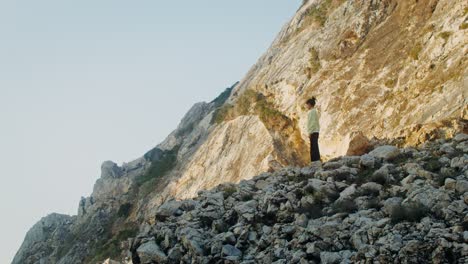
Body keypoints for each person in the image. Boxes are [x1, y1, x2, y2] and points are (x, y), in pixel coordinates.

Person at [306, 97, 321, 163]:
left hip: (313, 131)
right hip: (316, 131)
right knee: (315, 146)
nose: (306, 106)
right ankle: (317, 160)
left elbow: (311, 123)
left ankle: (314, 161)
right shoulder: (315, 111)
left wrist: (310, 132)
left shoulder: (311, 112)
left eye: (307, 104)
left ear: (309, 104)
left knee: (313, 147)